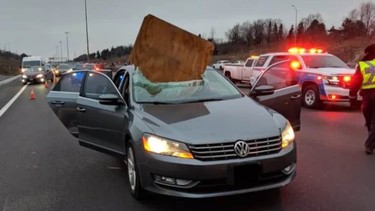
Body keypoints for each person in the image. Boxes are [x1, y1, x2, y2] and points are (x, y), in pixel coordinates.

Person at [350, 44, 375, 154]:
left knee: (370, 121)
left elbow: (356, 81)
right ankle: (371, 141)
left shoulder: (363, 65)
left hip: (368, 97)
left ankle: (369, 144)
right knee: (372, 122)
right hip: (368, 96)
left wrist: (352, 95)